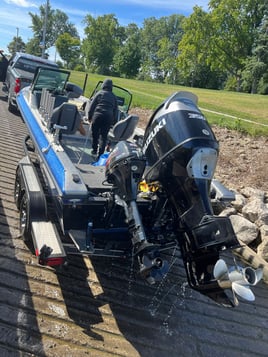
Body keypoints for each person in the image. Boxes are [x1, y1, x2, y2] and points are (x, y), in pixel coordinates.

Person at [88, 79, 119, 157]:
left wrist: (89, 117)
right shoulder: (114, 96)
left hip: (97, 116)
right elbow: (116, 110)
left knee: (95, 133)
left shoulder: (99, 93)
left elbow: (92, 106)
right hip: (108, 117)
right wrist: (114, 122)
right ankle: (100, 154)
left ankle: (94, 150)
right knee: (104, 136)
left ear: (103, 85)